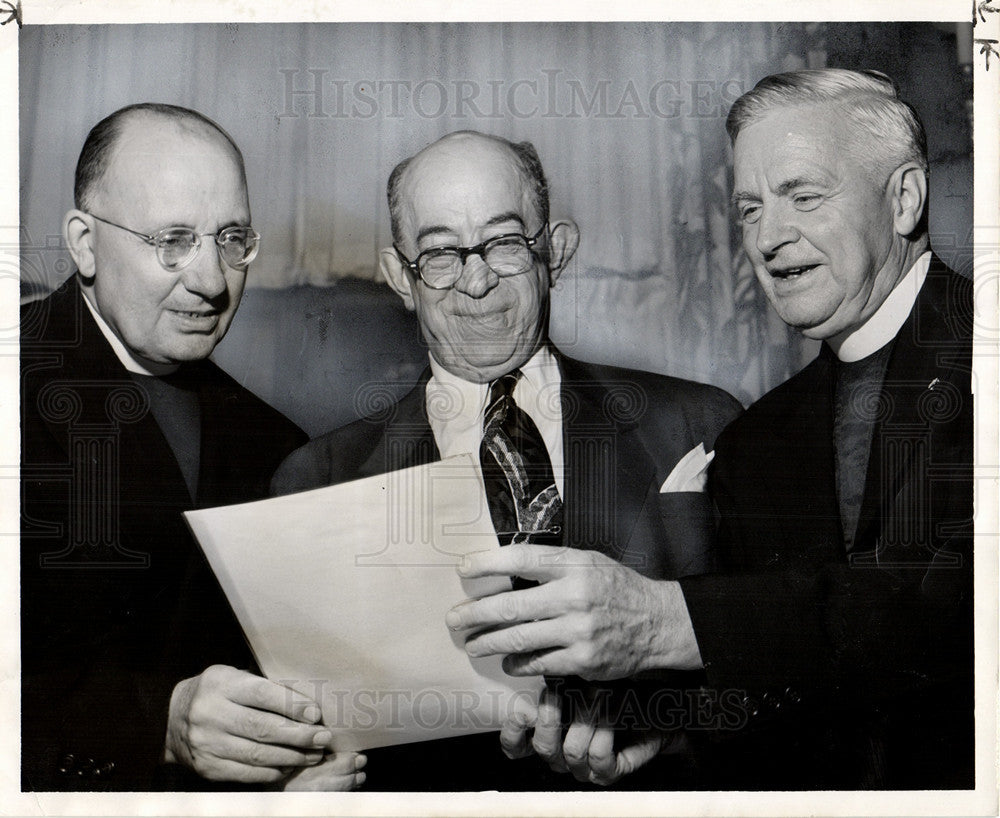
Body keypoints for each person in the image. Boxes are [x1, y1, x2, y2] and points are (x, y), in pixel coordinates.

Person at [447, 69, 974, 789]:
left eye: (803, 197)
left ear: (904, 196)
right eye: (750, 209)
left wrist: (669, 619)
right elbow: (799, 695)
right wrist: (663, 725)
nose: (769, 238)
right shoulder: (757, 438)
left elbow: (953, 603)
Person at [271, 129, 742, 789]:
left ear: (556, 250)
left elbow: (778, 670)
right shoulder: (315, 481)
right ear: (398, 278)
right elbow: (308, 734)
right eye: (440, 253)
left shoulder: (699, 423)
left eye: (504, 242)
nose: (477, 279)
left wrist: (667, 727)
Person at [20, 103, 364, 791]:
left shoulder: (280, 448)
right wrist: (158, 727)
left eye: (231, 238)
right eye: (172, 240)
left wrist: (294, 768)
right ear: (84, 243)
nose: (212, 281)